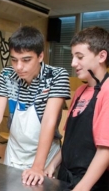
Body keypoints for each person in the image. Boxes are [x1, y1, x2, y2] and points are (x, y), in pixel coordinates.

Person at [0, 26, 70, 185]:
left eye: (26, 60)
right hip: (15, 152)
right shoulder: (7, 75)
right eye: (14, 60)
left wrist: (38, 166)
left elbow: (49, 120)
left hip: (44, 156)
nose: (19, 67)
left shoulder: (57, 76)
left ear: (40, 56)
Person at [44, 27, 109, 191]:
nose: (73, 63)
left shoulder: (107, 91)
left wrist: (83, 187)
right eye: (73, 57)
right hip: (66, 176)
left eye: (79, 57)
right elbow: (70, 141)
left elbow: (105, 150)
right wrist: (53, 164)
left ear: (102, 56)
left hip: (92, 182)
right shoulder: (80, 91)